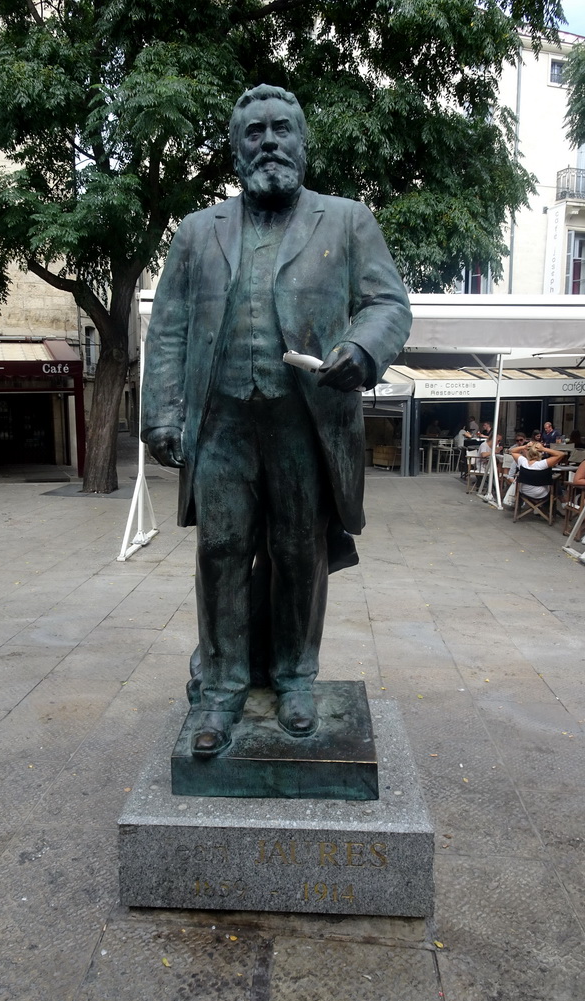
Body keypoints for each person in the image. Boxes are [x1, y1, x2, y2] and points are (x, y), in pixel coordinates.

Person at [141, 84, 412, 757]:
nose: (269, 141)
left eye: (282, 129)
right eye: (255, 131)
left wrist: (363, 349)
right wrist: (162, 414)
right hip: (222, 427)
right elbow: (168, 328)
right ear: (235, 149)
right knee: (220, 554)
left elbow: (388, 303)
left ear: (303, 142)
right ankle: (223, 688)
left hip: (305, 421)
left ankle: (295, 678)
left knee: (299, 555)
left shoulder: (347, 221)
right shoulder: (198, 231)